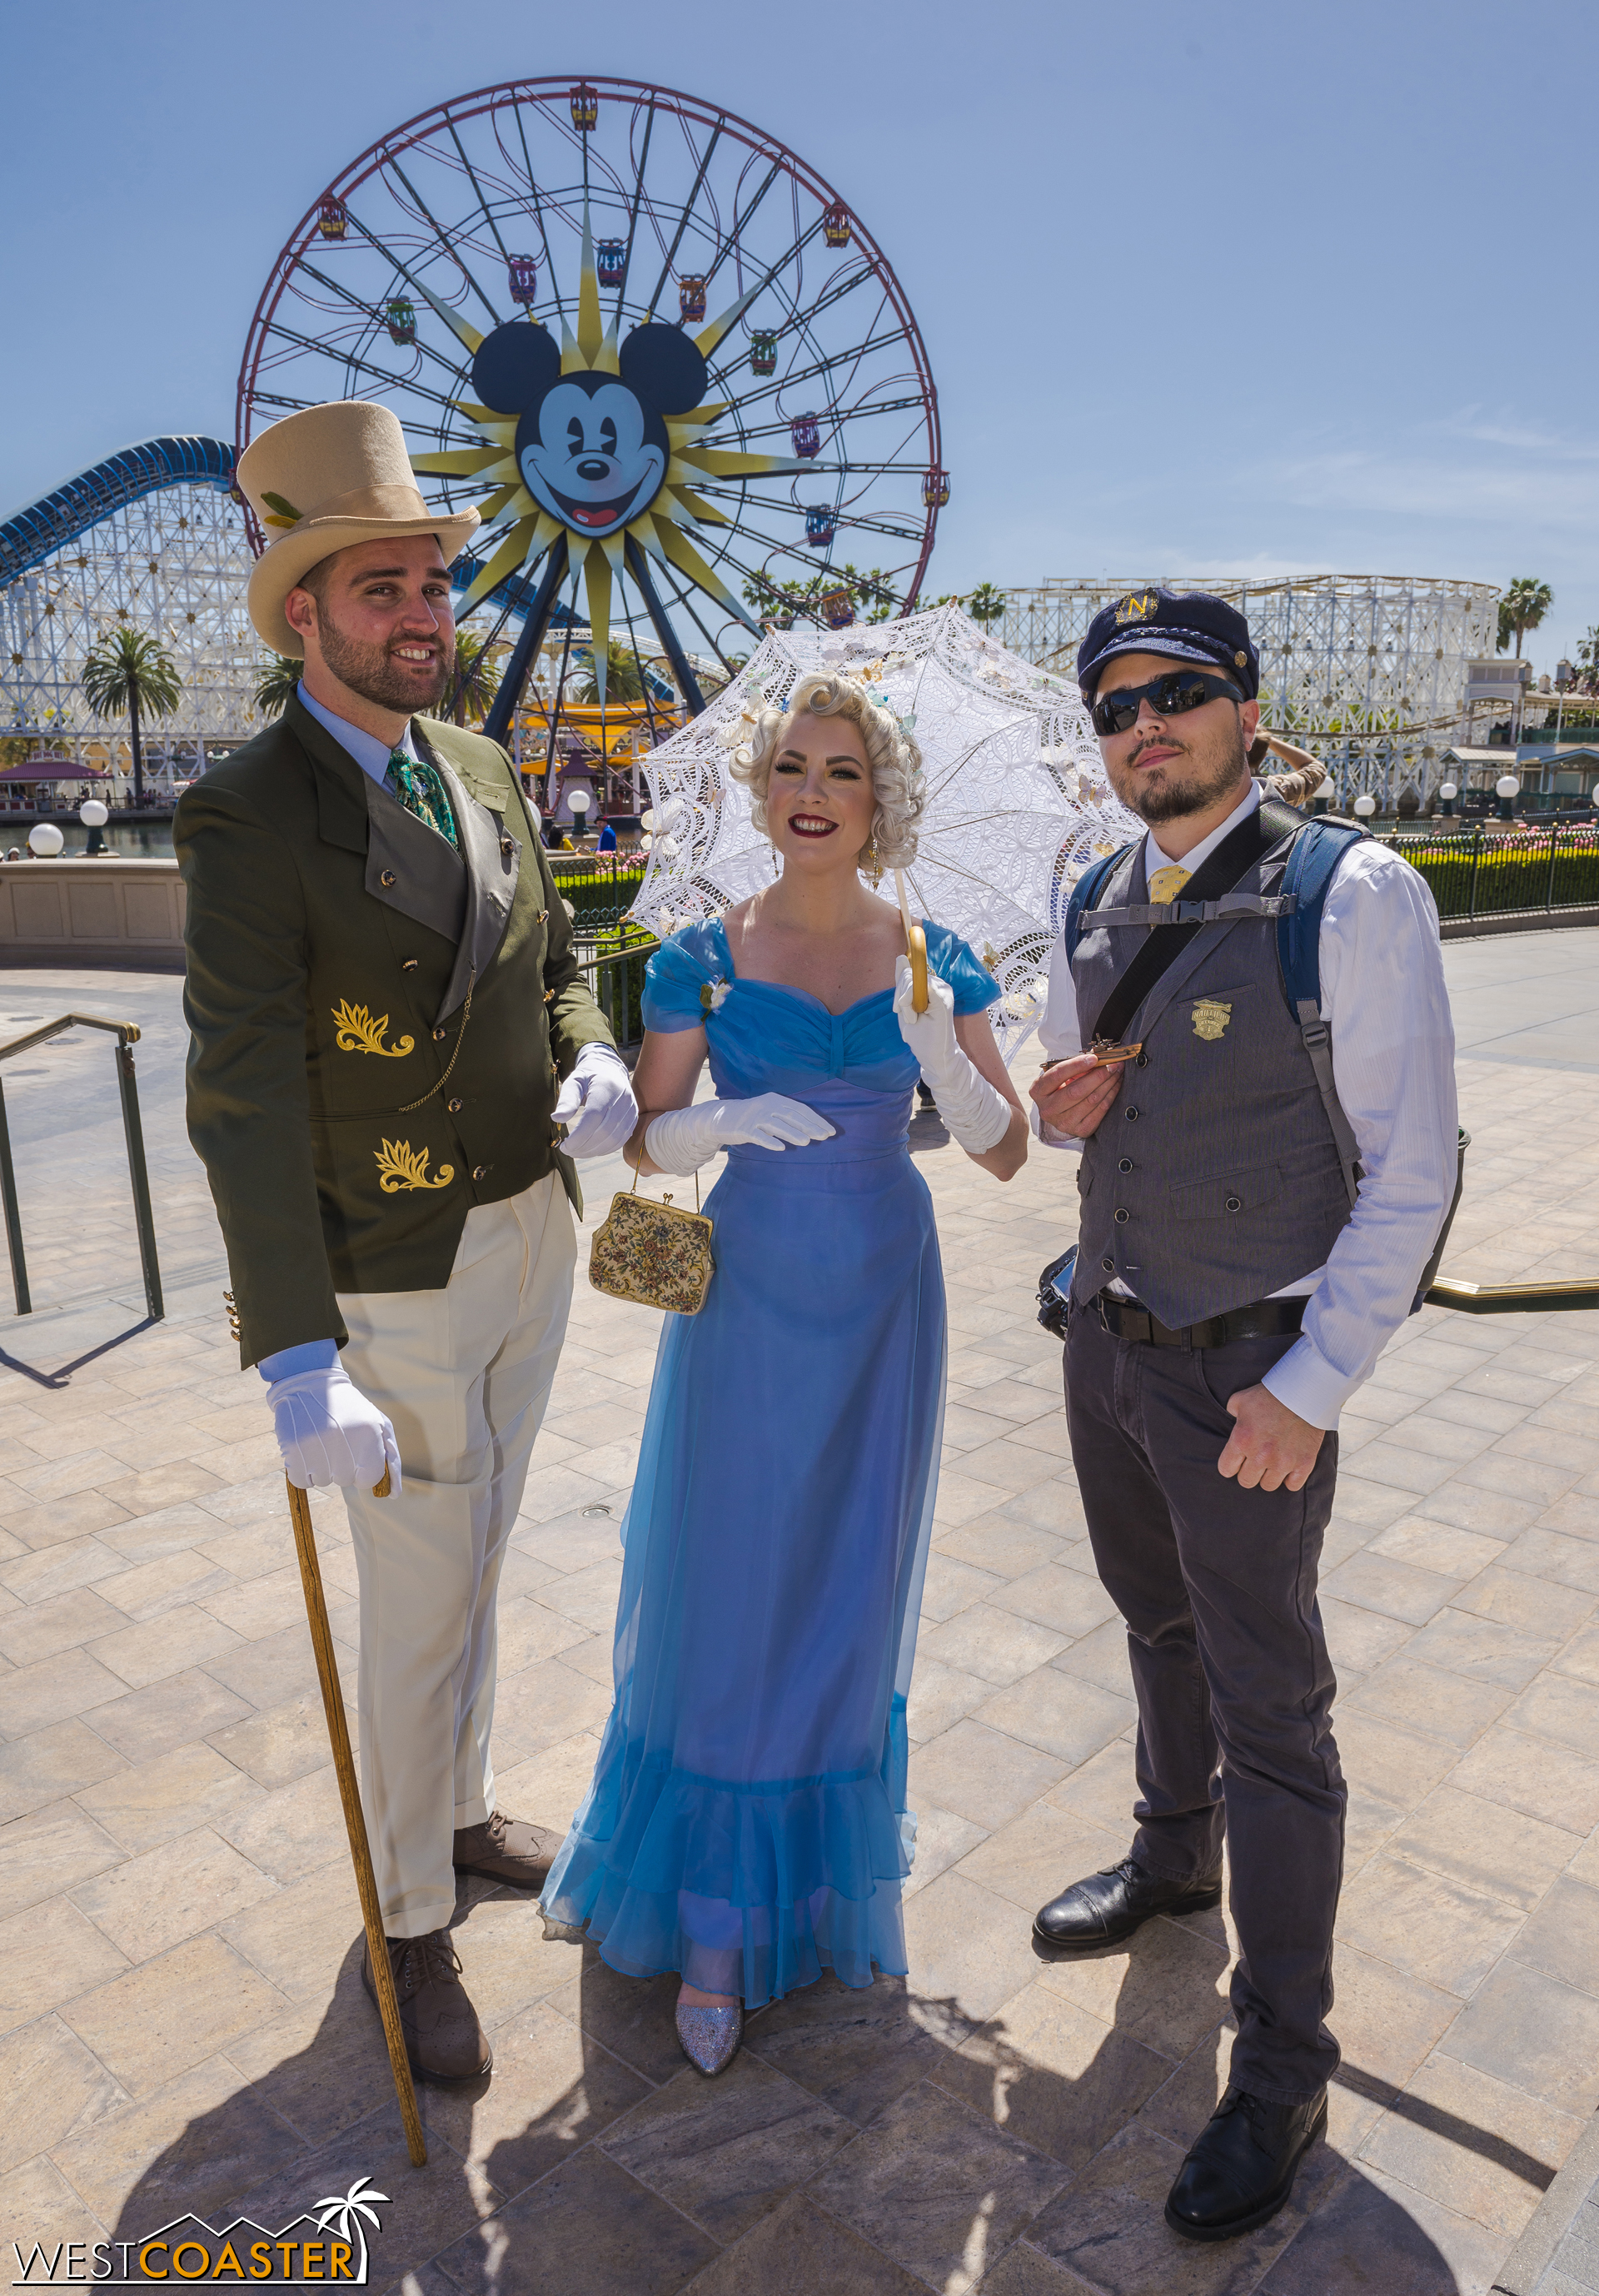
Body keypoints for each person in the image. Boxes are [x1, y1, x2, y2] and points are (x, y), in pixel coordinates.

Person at [177, 401, 639, 2087]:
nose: (423, 617)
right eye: (384, 589)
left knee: (481, 1553)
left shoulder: (485, 766)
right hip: (391, 1264)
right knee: (415, 1599)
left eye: (435, 584)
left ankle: (455, 1814)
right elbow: (236, 1094)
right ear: (305, 610)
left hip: (528, 1231)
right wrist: (296, 1355)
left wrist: (589, 1041)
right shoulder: (246, 816)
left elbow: (557, 942)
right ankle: (405, 1922)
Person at [1028, 589, 1457, 2241]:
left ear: (1245, 703)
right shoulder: (1088, 895)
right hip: (1110, 1342)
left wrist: (1309, 1383)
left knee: (1275, 1705)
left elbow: (1415, 1166)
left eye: (1178, 692)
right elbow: (1097, 1114)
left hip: (1250, 1373)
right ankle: (1169, 1852)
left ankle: (1283, 2057)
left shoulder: (1348, 892)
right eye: (1116, 703)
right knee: (1156, 1622)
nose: (1146, 723)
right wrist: (1065, 1108)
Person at [541, 672, 1029, 2073]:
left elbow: (1003, 1155)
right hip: (749, 1295)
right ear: (760, 790)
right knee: (735, 1573)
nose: (813, 793)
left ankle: (809, 1892)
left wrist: (950, 1058)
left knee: (845, 1584)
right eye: (793, 768)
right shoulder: (699, 951)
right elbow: (648, 1140)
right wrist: (716, 1125)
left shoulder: (936, 956)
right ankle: (708, 1913)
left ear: (881, 800)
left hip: (884, 1292)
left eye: (845, 772)